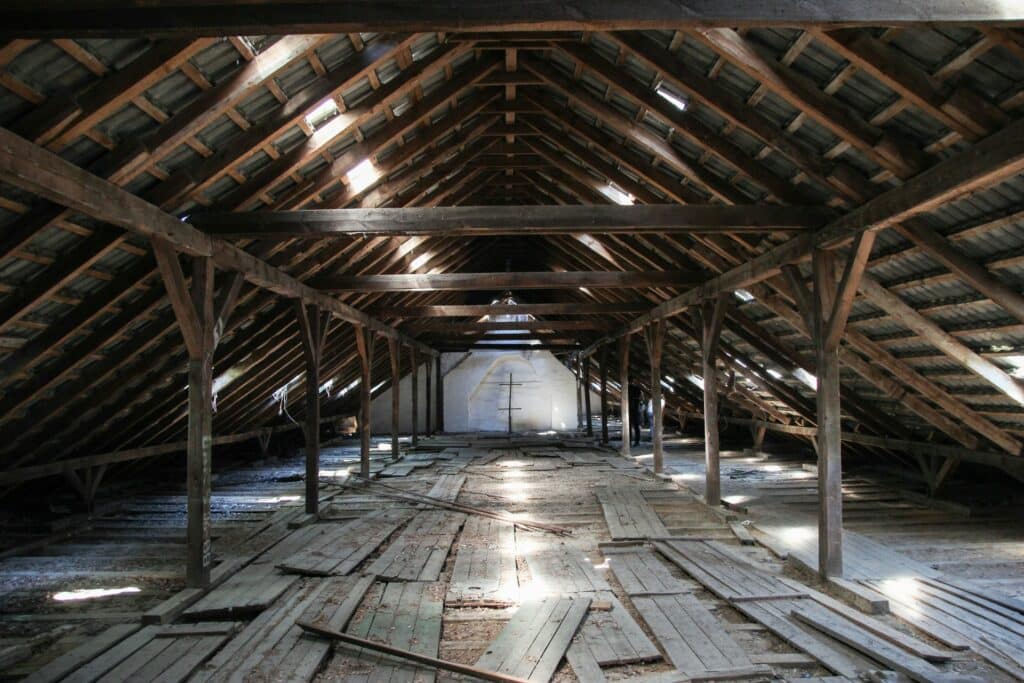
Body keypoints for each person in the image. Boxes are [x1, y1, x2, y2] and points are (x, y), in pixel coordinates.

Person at [628, 382, 642, 447]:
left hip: (631, 410)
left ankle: (630, 441)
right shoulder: (637, 389)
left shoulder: (628, 389)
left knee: (629, 426)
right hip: (635, 410)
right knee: (636, 427)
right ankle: (636, 441)